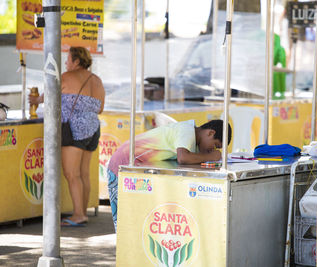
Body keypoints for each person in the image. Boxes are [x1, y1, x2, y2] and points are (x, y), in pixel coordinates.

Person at [107, 119, 232, 231]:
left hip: (135, 169)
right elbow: (183, 158)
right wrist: (210, 156)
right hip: (122, 166)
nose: (213, 150)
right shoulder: (187, 130)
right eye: (215, 145)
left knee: (140, 221)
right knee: (126, 222)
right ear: (210, 133)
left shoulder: (192, 140)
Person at [29, 47, 105, 227]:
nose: (65, 63)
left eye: (68, 59)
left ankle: (79, 215)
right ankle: (83, 212)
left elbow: (46, 97)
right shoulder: (97, 80)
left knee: (72, 174)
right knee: (84, 173)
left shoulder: (66, 77)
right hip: (93, 129)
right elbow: (100, 109)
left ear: (77, 61)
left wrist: (35, 101)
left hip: (74, 129)